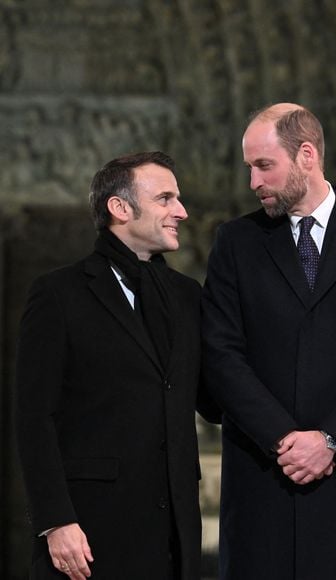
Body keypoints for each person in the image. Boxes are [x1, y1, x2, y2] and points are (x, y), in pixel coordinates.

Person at [202, 103, 336, 579]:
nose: (253, 183)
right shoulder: (235, 243)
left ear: (306, 155)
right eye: (249, 168)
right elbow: (221, 355)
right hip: (264, 479)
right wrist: (285, 440)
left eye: (264, 166)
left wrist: (330, 439)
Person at [16, 151, 204, 579]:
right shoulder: (58, 294)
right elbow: (34, 417)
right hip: (88, 534)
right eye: (166, 199)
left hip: (173, 537)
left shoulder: (187, 295)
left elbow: (213, 395)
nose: (182, 211)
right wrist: (56, 521)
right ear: (119, 208)